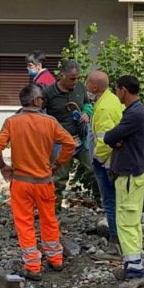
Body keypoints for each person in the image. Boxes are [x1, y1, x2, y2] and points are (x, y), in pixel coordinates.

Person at [0, 84, 77, 280]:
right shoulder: (50, 122)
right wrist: (57, 164)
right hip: (44, 181)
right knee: (49, 219)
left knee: (24, 222)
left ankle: (33, 265)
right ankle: (55, 259)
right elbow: (70, 144)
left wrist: (3, 167)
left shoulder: (12, 122)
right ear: (37, 101)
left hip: (21, 183)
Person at [103, 75, 144, 288]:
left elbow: (111, 136)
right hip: (131, 175)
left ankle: (135, 272)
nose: (116, 93)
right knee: (131, 222)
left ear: (123, 90)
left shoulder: (134, 114)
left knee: (126, 223)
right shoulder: (137, 111)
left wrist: (115, 138)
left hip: (130, 176)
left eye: (117, 90)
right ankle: (132, 264)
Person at [42, 60, 93, 212]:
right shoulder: (49, 93)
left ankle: (102, 205)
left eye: (77, 78)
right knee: (59, 178)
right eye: (72, 78)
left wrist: (87, 113)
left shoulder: (80, 88)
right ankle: (53, 210)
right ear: (61, 76)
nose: (75, 81)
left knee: (95, 169)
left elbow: (88, 104)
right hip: (60, 143)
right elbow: (37, 112)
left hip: (80, 139)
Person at [85, 69, 123, 246]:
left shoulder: (104, 107)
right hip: (112, 160)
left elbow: (104, 139)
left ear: (93, 87)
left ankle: (115, 237)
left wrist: (97, 159)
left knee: (109, 199)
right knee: (114, 199)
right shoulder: (111, 99)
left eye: (86, 82)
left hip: (106, 162)